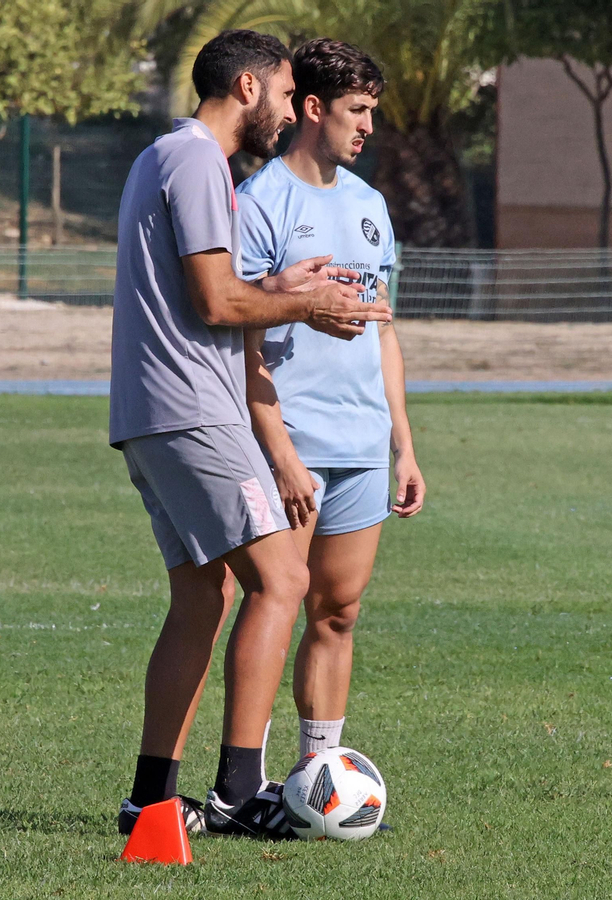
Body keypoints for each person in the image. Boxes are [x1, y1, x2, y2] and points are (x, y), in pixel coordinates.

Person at [108, 28, 391, 839]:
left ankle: (150, 801)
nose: (289, 109)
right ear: (247, 88)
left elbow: (212, 289)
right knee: (283, 580)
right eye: (285, 92)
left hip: (150, 412)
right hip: (194, 408)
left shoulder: (161, 156)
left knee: (203, 597)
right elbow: (216, 304)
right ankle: (239, 793)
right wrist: (306, 302)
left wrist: (273, 284)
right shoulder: (200, 160)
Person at [236, 39, 426, 765]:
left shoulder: (370, 204)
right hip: (291, 443)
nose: (369, 126)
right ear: (313, 108)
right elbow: (240, 340)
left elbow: (384, 331)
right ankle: (244, 784)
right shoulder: (260, 202)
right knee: (275, 604)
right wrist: (280, 453)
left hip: (362, 447)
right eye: (358, 110)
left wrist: (403, 445)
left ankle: (318, 776)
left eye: (372, 110)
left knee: (338, 613)